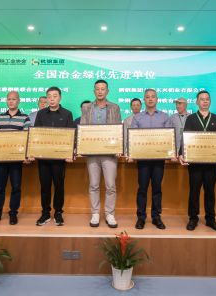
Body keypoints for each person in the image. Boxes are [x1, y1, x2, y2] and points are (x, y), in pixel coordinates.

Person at [178, 91, 216, 232]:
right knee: (194, 191)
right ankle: (193, 218)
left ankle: (210, 219)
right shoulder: (191, 118)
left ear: (210, 101)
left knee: (210, 191)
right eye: (202, 99)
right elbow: (185, 137)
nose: (205, 101)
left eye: (207, 99)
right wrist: (181, 153)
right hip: (195, 163)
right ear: (197, 102)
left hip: (212, 163)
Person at [79, 80, 122, 228]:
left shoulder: (115, 107)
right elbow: (83, 127)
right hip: (92, 152)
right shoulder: (87, 107)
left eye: (103, 89)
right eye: (97, 89)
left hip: (109, 153)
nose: (100, 91)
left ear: (107, 91)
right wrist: (82, 147)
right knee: (94, 185)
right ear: (94, 91)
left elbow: (118, 129)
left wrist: (118, 146)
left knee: (110, 185)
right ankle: (95, 213)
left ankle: (110, 214)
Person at [0, 91, 30, 226]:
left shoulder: (25, 118)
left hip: (16, 160)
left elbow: (27, 138)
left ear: (19, 101)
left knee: (16, 187)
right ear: (6, 101)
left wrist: (25, 155)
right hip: (1, 159)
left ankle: (13, 213)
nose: (11, 101)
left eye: (14, 99)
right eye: (9, 99)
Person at [32, 86, 75, 226]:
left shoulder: (67, 114)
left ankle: (58, 212)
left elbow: (70, 135)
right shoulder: (41, 114)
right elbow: (36, 134)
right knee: (44, 186)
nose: (52, 99)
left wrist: (69, 153)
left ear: (60, 98)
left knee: (59, 186)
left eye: (55, 96)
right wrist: (33, 151)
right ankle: (45, 213)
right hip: (43, 157)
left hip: (59, 158)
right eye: (49, 96)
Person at [129, 88, 171, 230]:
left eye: (153, 96)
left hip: (159, 159)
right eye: (147, 97)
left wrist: (170, 152)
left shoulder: (164, 117)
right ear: (144, 100)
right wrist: (131, 153)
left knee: (157, 188)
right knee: (142, 188)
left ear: (157, 99)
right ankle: (141, 217)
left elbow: (169, 137)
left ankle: (156, 217)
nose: (150, 99)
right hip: (143, 160)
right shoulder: (138, 117)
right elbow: (132, 137)